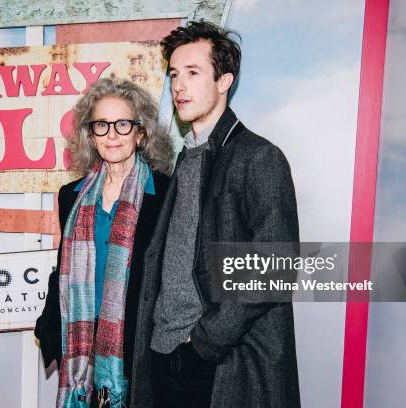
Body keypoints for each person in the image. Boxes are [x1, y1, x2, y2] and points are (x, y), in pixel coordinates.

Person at [130, 21, 301, 407]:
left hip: (217, 363)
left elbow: (275, 267)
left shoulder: (259, 157)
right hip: (163, 354)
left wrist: (202, 343)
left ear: (224, 81)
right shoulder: (185, 159)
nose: (179, 86)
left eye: (193, 73)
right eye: (174, 74)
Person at [35, 77, 172, 408]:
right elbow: (63, 267)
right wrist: (48, 323)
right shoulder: (72, 195)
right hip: (82, 342)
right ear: (90, 135)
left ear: (141, 134)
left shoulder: (167, 193)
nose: (111, 135)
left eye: (122, 124)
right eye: (101, 125)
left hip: (138, 348)